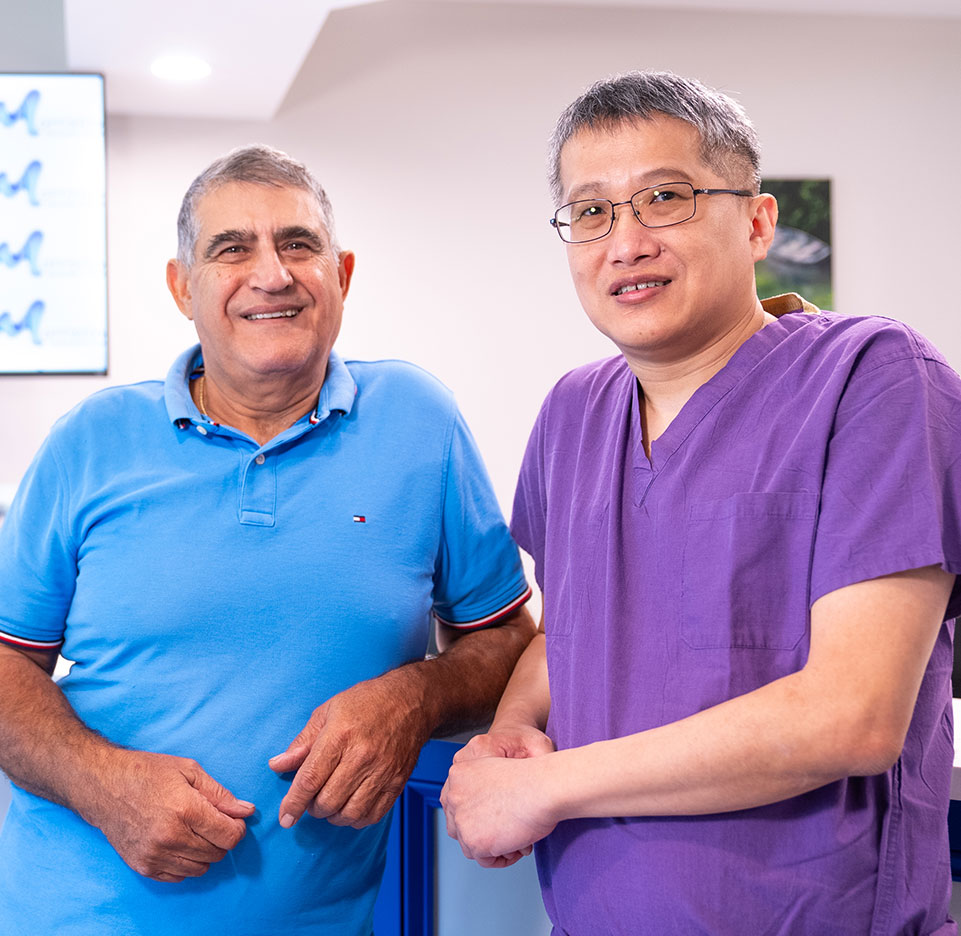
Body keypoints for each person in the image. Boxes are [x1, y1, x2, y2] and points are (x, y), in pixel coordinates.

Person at [441, 70, 961, 935]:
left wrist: (546, 786)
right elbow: (568, 635)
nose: (625, 241)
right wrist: (508, 735)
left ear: (757, 223)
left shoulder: (872, 381)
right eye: (592, 211)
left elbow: (854, 715)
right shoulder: (573, 411)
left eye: (664, 198)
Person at [0, 144, 534, 935]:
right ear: (183, 287)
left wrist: (413, 697)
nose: (272, 274)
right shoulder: (92, 441)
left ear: (342, 274)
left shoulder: (420, 423)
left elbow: (504, 642)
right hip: (71, 915)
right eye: (231, 249)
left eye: (297, 243)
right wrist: (100, 783)